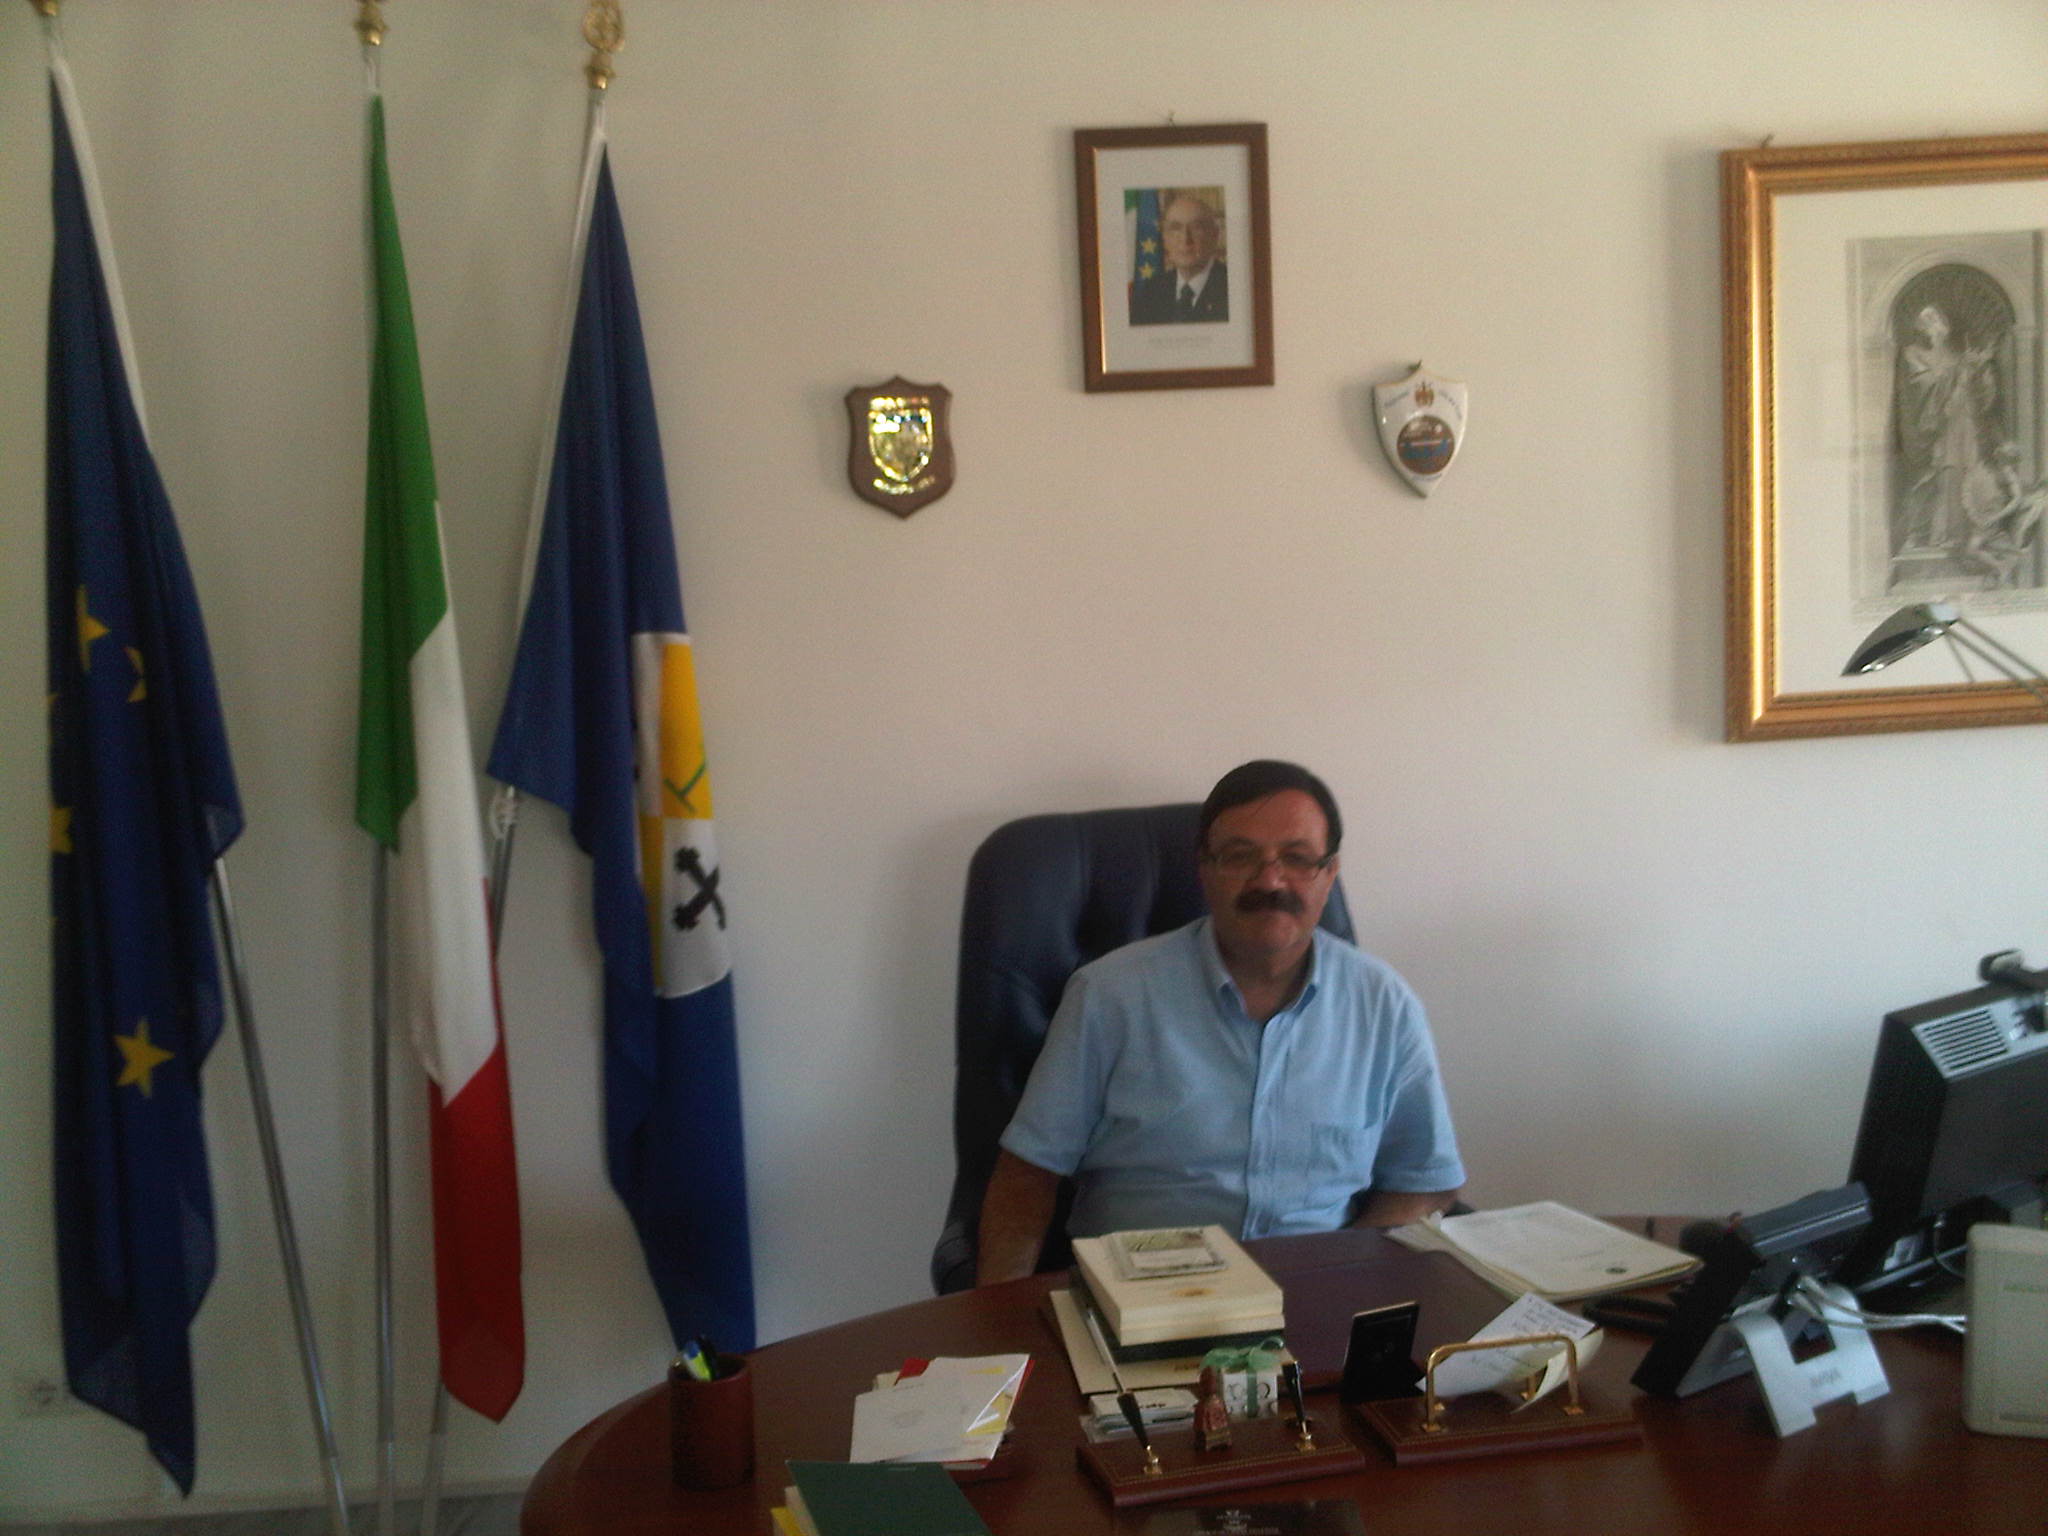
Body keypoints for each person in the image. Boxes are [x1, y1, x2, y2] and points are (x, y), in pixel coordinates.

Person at [974, 761, 1464, 1286]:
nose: (1269, 881)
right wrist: (1002, 1320)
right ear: (1204, 869)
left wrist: (1346, 1273)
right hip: (1141, 1296)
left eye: (1297, 858)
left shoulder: (1384, 1004)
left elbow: (1424, 1182)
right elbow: (1027, 1177)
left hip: (1315, 1291)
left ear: (1329, 874)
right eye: (1240, 856)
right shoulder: (1109, 996)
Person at [1130, 190, 1230, 326]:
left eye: (1196, 228)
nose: (1185, 239)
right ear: (1164, 238)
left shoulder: (1231, 288)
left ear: (1214, 235)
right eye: (1175, 228)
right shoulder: (1151, 292)